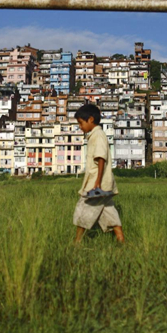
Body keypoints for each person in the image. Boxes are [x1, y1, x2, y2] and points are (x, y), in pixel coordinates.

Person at [73, 103, 125, 244]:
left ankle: (76, 243)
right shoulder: (95, 135)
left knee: (84, 209)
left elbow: (101, 158)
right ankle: (121, 241)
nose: (80, 126)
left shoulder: (98, 135)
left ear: (90, 119)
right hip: (102, 184)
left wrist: (97, 182)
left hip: (96, 184)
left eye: (80, 123)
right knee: (109, 212)